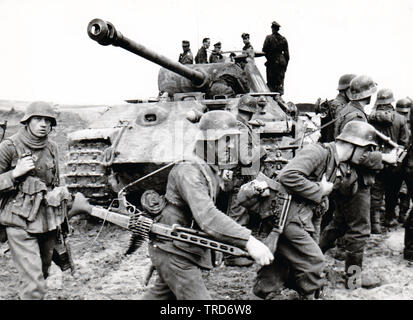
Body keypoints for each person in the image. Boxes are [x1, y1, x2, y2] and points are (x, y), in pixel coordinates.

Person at [141, 110, 274, 300]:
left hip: (177, 246)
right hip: (175, 248)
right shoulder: (189, 171)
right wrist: (248, 241)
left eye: (233, 140)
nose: (232, 146)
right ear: (208, 142)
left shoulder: (208, 168)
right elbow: (208, 217)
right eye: (226, 140)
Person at [0, 101, 68, 299]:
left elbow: (54, 183)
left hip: (47, 221)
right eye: (38, 119)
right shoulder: (9, 147)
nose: (43, 124)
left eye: (48, 120)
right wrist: (15, 173)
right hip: (19, 221)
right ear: (27, 121)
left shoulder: (52, 147)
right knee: (34, 285)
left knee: (43, 273)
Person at [320, 121, 398, 289]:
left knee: (338, 225)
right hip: (356, 187)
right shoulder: (354, 143)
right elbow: (360, 157)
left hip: (348, 184)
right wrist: (385, 157)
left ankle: (309, 258)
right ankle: (353, 280)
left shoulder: (349, 132)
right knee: (360, 231)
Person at [223, 95, 265, 267]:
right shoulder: (241, 127)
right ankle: (232, 256)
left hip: (235, 175)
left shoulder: (238, 124)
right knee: (237, 215)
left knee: (238, 213)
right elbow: (246, 158)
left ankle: (236, 252)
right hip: (239, 176)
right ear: (253, 111)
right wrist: (261, 150)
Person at [369, 89, 409, 233]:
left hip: (376, 160)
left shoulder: (370, 119)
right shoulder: (401, 119)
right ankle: (389, 218)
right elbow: (405, 144)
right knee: (392, 192)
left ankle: (375, 225)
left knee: (376, 193)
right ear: (391, 101)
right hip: (394, 164)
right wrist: (399, 161)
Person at [262, 21, 290, 95]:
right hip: (281, 64)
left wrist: (269, 59)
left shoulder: (269, 38)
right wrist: (285, 66)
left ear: (272, 28)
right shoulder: (284, 39)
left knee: (271, 84)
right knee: (279, 84)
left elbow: (264, 50)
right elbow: (287, 55)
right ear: (278, 29)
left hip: (272, 63)